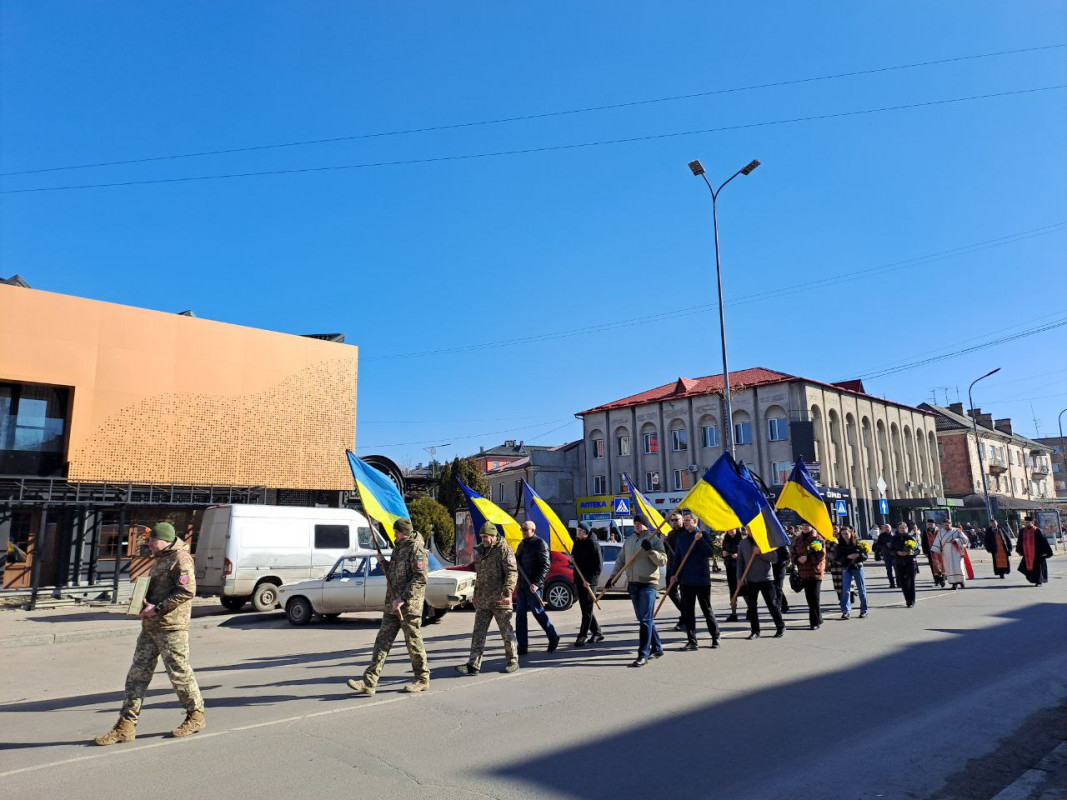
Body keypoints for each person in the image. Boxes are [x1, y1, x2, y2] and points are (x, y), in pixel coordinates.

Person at [94, 522, 204, 745]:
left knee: (179, 673)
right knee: (137, 674)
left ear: (163, 540)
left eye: (152, 541)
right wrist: (141, 603)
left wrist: (158, 608)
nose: (149, 545)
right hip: (151, 627)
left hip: (172, 627)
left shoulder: (180, 559)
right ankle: (125, 725)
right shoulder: (161, 558)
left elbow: (187, 590)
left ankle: (195, 716)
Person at [347, 519, 430, 696]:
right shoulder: (399, 548)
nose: (394, 535)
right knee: (381, 642)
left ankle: (422, 680)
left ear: (405, 532)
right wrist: (383, 563)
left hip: (408, 606)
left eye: (397, 532)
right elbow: (395, 573)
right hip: (392, 604)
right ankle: (369, 682)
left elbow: (421, 577)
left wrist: (403, 598)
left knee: (413, 644)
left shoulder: (416, 549)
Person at [605, 513, 667, 667]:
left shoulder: (654, 539)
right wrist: (612, 578)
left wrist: (650, 550)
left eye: (640, 523)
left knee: (645, 620)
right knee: (644, 619)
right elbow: (620, 560)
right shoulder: (630, 540)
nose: (637, 525)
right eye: (635, 523)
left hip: (648, 584)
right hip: (633, 584)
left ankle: (643, 654)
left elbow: (663, 560)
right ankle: (657, 647)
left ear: (646, 525)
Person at [456, 522, 519, 675]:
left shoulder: (504, 549)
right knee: (478, 632)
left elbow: (512, 572)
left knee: (506, 632)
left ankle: (512, 660)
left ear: (493, 536)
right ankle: (473, 665)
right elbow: (478, 574)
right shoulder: (479, 551)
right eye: (482, 536)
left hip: (500, 599)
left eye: (485, 537)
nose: (483, 539)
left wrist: (507, 592)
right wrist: (474, 593)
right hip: (483, 600)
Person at [672, 509, 720, 650]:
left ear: (695, 521)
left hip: (701, 580)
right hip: (686, 580)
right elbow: (678, 558)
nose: (685, 523)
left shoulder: (703, 535)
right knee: (688, 612)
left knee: (706, 609)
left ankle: (715, 636)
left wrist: (699, 541)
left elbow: (710, 552)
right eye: (685, 520)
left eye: (688, 520)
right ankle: (692, 641)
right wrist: (674, 574)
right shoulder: (681, 538)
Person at [513, 521, 560, 655]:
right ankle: (522, 646)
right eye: (522, 529)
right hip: (522, 585)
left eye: (525, 529)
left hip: (533, 585)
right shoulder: (521, 544)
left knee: (537, 612)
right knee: (520, 616)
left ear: (533, 530)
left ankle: (553, 636)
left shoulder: (540, 544)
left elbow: (545, 565)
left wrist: (537, 583)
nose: (523, 531)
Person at [737, 528, 785, 639]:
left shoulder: (764, 541)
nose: (750, 530)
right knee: (752, 606)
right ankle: (755, 631)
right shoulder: (743, 543)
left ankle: (780, 626)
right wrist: (739, 578)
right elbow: (740, 561)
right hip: (750, 579)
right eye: (748, 528)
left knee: (772, 604)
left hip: (766, 578)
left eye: (752, 527)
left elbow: (774, 558)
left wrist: (761, 553)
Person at [569, 522, 604, 646]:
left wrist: (590, 580)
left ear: (586, 531)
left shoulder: (593, 544)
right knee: (585, 609)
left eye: (580, 530)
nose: (577, 532)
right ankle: (597, 632)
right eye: (577, 530)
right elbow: (573, 559)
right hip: (579, 580)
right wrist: (571, 560)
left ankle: (582, 636)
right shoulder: (577, 543)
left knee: (587, 609)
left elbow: (598, 566)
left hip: (589, 582)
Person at [790, 523, 825, 630]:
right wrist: (797, 559)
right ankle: (818, 617)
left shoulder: (818, 538)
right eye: (803, 526)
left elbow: (821, 555)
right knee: (810, 597)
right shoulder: (798, 539)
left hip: (815, 572)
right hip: (803, 572)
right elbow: (792, 552)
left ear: (812, 527)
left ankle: (814, 622)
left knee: (814, 598)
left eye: (807, 525)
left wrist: (807, 559)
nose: (805, 527)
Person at [836, 526, 869, 619]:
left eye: (847, 533)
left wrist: (859, 555)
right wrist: (847, 557)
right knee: (845, 590)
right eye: (843, 534)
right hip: (846, 568)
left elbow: (865, 556)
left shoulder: (858, 543)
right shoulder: (839, 545)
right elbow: (837, 557)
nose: (845, 536)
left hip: (857, 567)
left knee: (861, 589)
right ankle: (846, 611)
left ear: (851, 533)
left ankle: (864, 611)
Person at [932, 521, 969, 590]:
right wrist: (935, 550)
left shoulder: (957, 531)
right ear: (943, 525)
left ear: (951, 524)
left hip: (956, 551)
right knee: (949, 567)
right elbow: (937, 541)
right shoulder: (940, 532)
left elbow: (965, 539)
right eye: (945, 525)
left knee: (958, 566)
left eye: (948, 524)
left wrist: (956, 541)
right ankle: (953, 583)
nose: (947, 526)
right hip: (946, 552)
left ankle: (961, 582)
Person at [1016, 516, 1053, 586]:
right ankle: (1033, 579)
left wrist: (1046, 552)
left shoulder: (1037, 530)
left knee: (1038, 568)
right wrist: (1019, 550)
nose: (1026, 524)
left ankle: (1039, 581)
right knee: (1026, 567)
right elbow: (1019, 541)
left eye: (1028, 522)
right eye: (1025, 522)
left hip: (1037, 552)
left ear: (1032, 522)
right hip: (1027, 553)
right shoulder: (1022, 531)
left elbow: (1044, 541)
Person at [664, 511, 686, 630]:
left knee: (684, 594)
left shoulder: (685, 533)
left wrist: (667, 540)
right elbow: (667, 550)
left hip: (683, 568)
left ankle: (684, 619)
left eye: (676, 519)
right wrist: (664, 541)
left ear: (682, 520)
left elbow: (678, 549)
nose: (674, 522)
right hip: (671, 567)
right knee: (670, 591)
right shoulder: (671, 533)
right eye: (672, 520)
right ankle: (685, 614)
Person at [890, 522, 919, 607]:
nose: (902, 529)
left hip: (910, 562)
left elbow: (917, 551)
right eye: (900, 528)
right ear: (898, 529)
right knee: (902, 582)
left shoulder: (911, 538)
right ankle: (907, 599)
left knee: (910, 581)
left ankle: (911, 601)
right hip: (898, 562)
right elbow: (891, 550)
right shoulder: (894, 538)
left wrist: (909, 552)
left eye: (904, 528)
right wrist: (897, 552)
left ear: (907, 529)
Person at [721, 528, 743, 621]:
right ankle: (734, 614)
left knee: (744, 590)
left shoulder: (741, 540)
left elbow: (746, 554)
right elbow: (723, 551)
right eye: (728, 529)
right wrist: (723, 554)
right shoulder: (726, 539)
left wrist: (738, 555)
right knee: (732, 590)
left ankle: (751, 611)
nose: (730, 530)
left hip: (740, 569)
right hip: (729, 568)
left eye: (732, 528)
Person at [924, 521, 946, 587]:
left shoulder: (939, 531)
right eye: (928, 524)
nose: (930, 525)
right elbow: (924, 542)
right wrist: (925, 552)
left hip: (940, 551)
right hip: (930, 552)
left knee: (941, 565)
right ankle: (936, 580)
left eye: (931, 524)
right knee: (933, 566)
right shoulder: (925, 532)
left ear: (934, 524)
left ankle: (942, 579)